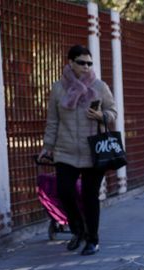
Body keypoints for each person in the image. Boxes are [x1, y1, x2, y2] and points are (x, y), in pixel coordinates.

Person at [38, 45, 116, 256]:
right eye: (82, 63)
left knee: (90, 197)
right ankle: (78, 230)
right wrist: (47, 147)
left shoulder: (99, 86)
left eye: (89, 63)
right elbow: (52, 121)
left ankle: (93, 240)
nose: (86, 67)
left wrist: (102, 116)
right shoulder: (58, 88)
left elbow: (113, 111)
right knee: (65, 191)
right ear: (70, 63)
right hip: (65, 150)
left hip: (93, 151)